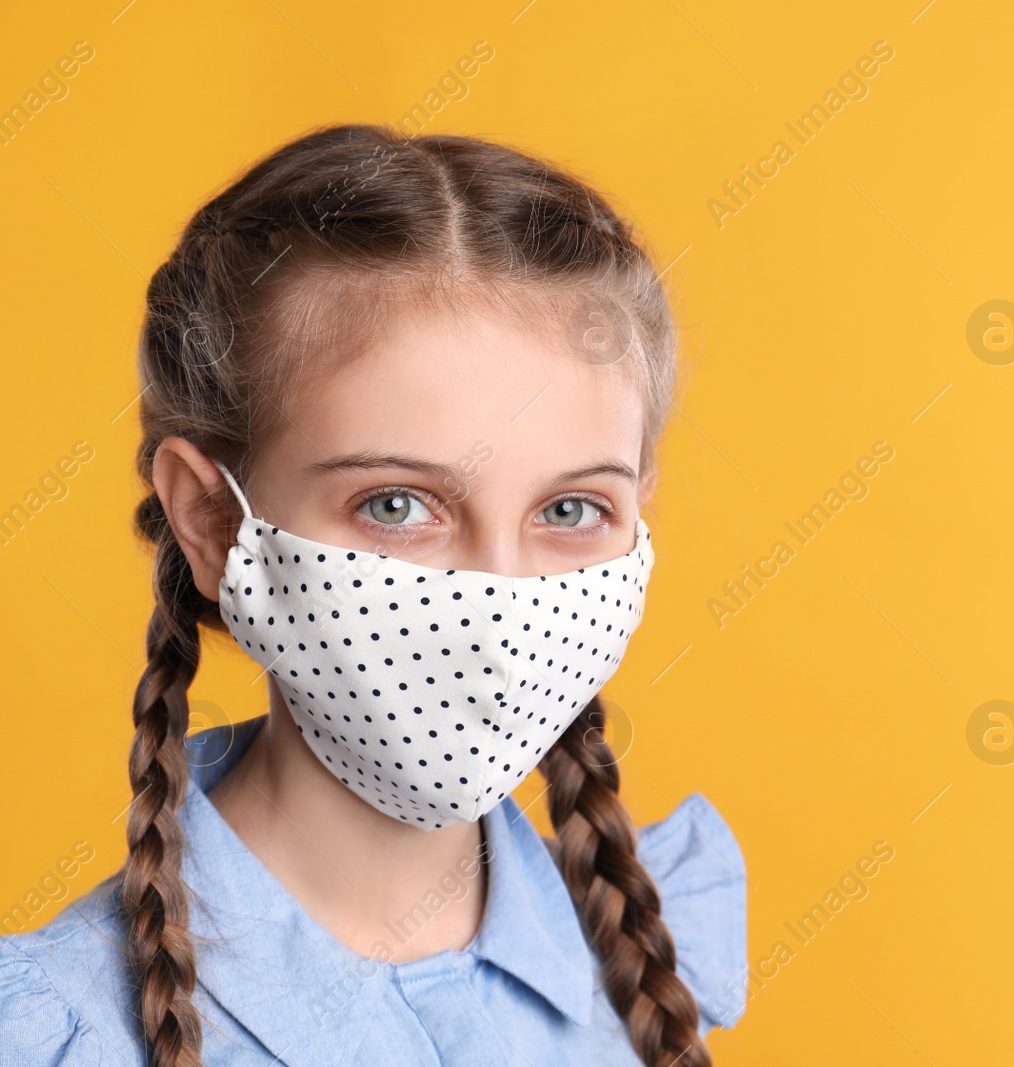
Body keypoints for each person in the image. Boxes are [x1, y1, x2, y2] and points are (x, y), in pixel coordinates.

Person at [0, 123, 745, 1066]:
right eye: (397, 504)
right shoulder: (59, 1032)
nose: (500, 597)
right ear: (213, 521)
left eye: (569, 506)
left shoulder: (640, 957)